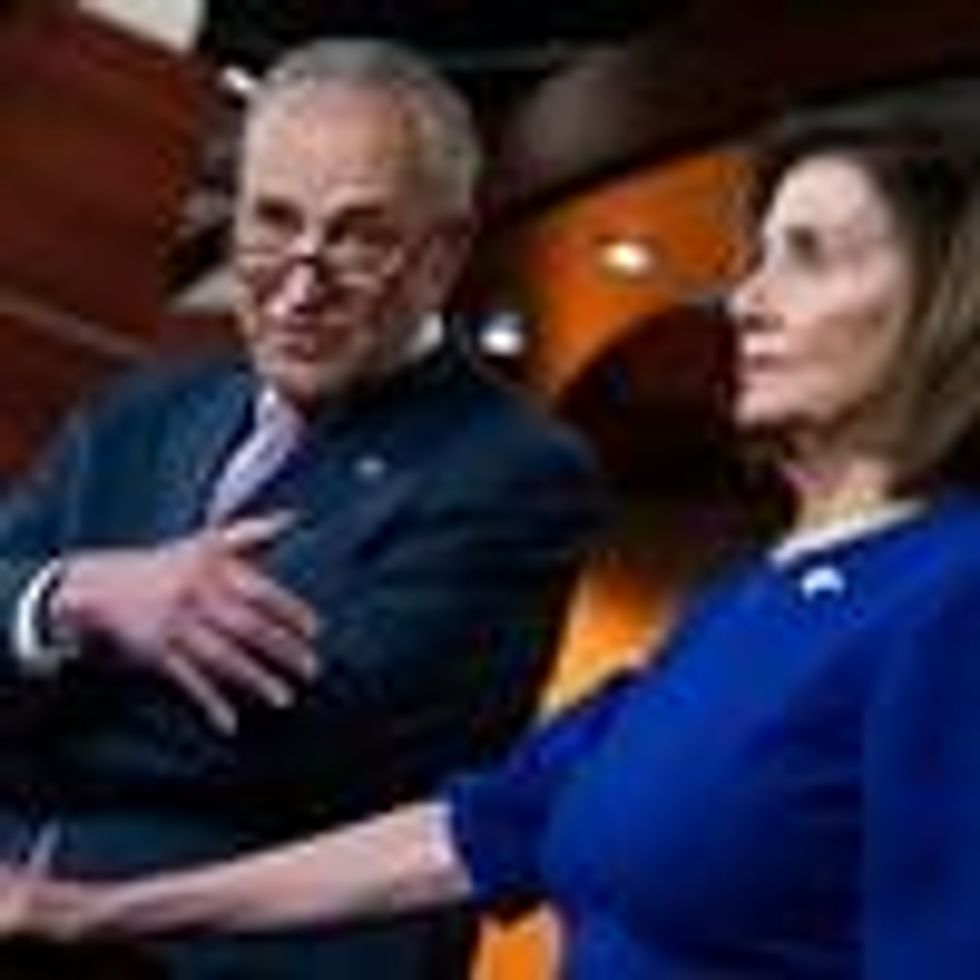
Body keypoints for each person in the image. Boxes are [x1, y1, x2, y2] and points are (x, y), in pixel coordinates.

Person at [15, 76, 980, 978]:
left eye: (809, 258)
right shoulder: (747, 605)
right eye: (758, 258)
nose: (746, 303)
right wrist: (92, 911)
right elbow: (469, 833)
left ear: (950, 306)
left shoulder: (952, 594)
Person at [0, 37, 602, 979]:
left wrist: (45, 657)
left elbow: (292, 747)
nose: (302, 279)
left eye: (358, 235)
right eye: (273, 221)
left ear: (443, 254)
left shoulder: (517, 473)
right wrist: (76, 597)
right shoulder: (142, 410)